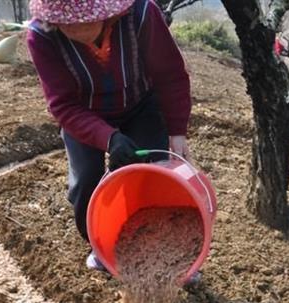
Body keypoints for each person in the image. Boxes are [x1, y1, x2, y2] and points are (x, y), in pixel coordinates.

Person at [26, 0, 193, 273]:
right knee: (86, 182)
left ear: (110, 12)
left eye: (86, 21)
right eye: (68, 24)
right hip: (83, 113)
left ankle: (167, 251)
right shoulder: (42, 36)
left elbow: (170, 75)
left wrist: (177, 131)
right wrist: (109, 138)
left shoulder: (141, 15)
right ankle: (102, 245)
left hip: (140, 104)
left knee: (153, 174)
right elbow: (63, 105)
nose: (78, 30)